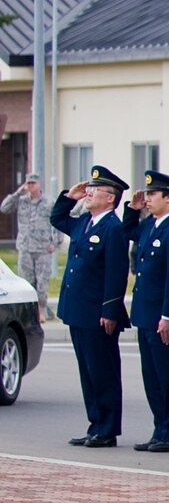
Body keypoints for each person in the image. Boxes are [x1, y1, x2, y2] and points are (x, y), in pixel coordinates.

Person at [53, 166, 131, 447]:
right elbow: (57, 218)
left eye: (94, 190)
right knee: (88, 372)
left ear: (110, 198)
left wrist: (110, 311)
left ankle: (107, 429)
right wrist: (69, 197)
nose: (88, 193)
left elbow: (116, 272)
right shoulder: (85, 221)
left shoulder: (114, 228)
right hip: (77, 309)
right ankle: (95, 424)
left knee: (103, 371)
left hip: (97, 313)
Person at [128, 172, 169, 453]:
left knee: (168, 376)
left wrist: (168, 315)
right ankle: (160, 429)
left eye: (153, 194)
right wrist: (131, 210)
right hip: (145, 313)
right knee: (152, 377)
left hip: (164, 316)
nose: (148, 199)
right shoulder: (150, 226)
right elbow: (125, 232)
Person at [2, 174, 58, 319]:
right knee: (27, 282)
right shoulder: (21, 201)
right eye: (28, 183)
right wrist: (17, 193)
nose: (30, 186)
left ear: (39, 184)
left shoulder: (48, 202)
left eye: (33, 183)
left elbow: (56, 221)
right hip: (25, 248)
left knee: (42, 283)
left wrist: (55, 242)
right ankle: (28, 314)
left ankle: (41, 311)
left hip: (42, 248)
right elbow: (4, 208)